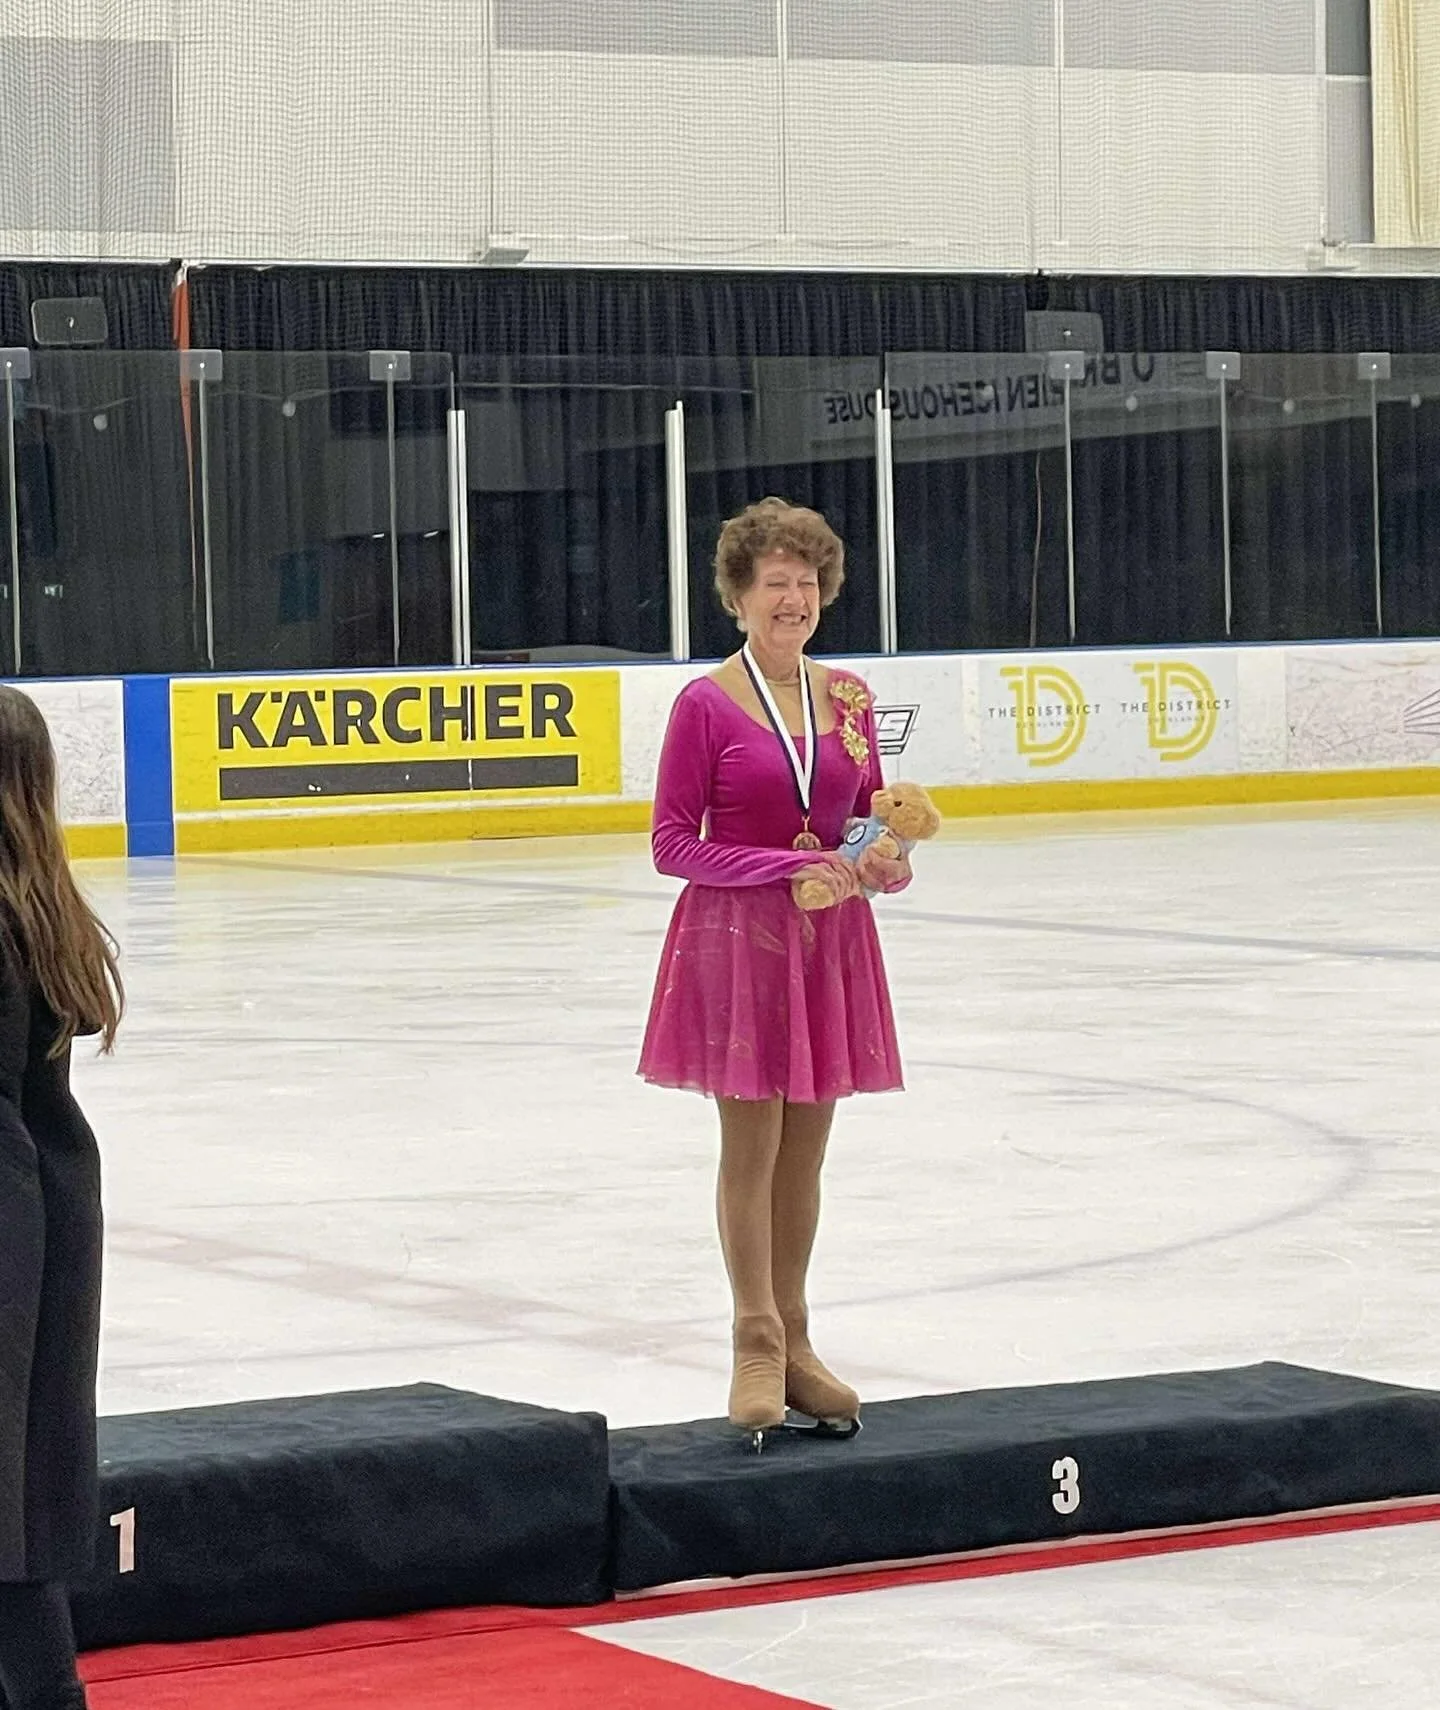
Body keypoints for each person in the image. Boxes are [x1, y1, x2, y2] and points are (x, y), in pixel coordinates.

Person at [639, 498, 911, 1443]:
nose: (793, 600)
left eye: (807, 584)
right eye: (775, 585)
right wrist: (788, 867)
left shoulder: (850, 702)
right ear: (740, 599)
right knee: (751, 1147)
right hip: (738, 942)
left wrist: (878, 857)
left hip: (828, 941)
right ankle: (753, 1338)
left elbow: (862, 817)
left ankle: (797, 1339)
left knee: (809, 1150)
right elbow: (673, 844)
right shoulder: (706, 704)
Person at [0, 686, 123, 1710]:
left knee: (11, 1518)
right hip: (47, 1214)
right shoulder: (41, 907)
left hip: (15, 1225)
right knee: (21, 1505)